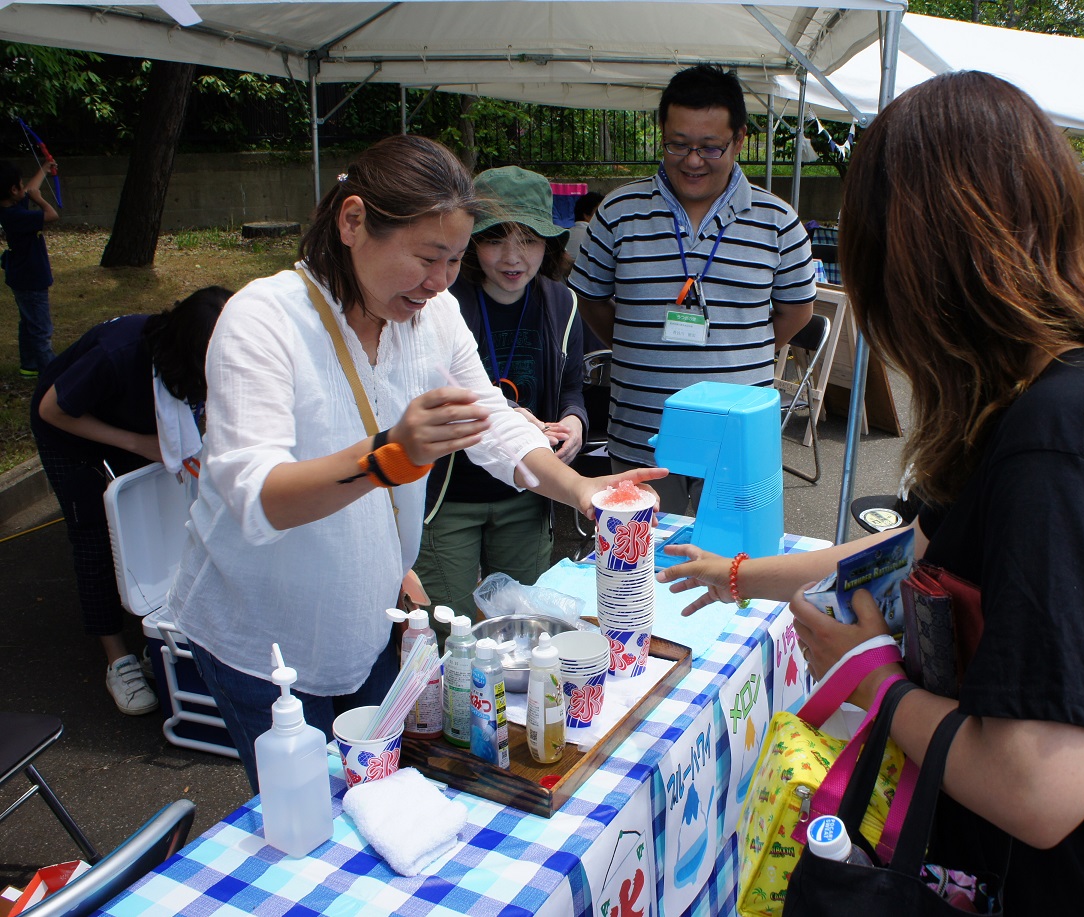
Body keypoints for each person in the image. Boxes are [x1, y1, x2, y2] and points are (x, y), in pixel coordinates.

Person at [660, 72, 1084, 913]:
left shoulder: (1057, 444)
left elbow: (1039, 789)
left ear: (929, 263)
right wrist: (739, 572)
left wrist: (869, 675)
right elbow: (913, 552)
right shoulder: (1058, 390)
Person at [164, 135, 664, 788]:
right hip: (264, 639)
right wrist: (389, 457)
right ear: (353, 222)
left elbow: (489, 419)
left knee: (380, 788)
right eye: (428, 257)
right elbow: (257, 497)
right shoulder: (263, 320)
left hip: (365, 615)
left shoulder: (430, 316)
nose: (440, 280)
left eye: (455, 260)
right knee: (307, 805)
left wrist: (578, 488)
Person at [571, 63, 816, 515]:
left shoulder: (778, 221)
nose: (693, 160)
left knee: (733, 572)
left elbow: (796, 312)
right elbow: (591, 298)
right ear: (662, 132)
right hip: (641, 440)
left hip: (737, 442)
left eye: (710, 147)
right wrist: (637, 345)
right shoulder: (618, 211)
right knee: (640, 571)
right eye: (678, 144)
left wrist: (740, 351)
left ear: (739, 139)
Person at [31, 286, 231, 715]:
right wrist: (138, 443)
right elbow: (52, 410)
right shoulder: (117, 354)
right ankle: (117, 658)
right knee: (97, 540)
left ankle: (156, 645)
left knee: (158, 524)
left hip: (135, 426)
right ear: (189, 352)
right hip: (73, 434)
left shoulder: (189, 360)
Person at [413, 166, 587, 619]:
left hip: (526, 495)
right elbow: (439, 388)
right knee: (447, 628)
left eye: (528, 239)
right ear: (470, 242)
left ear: (549, 243)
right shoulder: (441, 303)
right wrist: (510, 411)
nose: (513, 257)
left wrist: (574, 420)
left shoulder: (561, 302)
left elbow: (572, 386)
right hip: (450, 497)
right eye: (495, 239)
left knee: (523, 623)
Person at [0, 159, 60, 377]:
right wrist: (40, 200)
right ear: (13, 189)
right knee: (41, 330)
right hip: (32, 279)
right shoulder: (17, 216)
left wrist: (45, 167)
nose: (24, 188)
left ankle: (29, 365)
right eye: (20, 184)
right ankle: (51, 376)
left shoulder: (9, 207)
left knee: (28, 322)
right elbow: (52, 215)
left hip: (21, 276)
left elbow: (29, 189)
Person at [564, 190, 604, 258]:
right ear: (586, 215)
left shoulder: (567, 235)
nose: (605, 216)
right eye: (600, 212)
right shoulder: (596, 235)